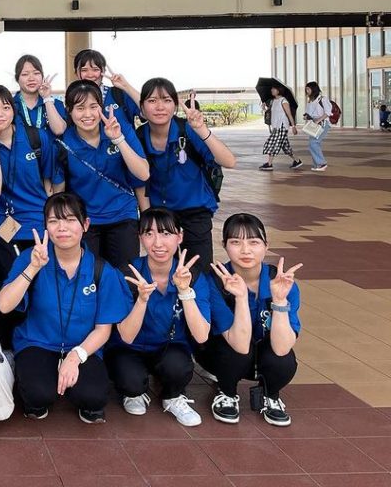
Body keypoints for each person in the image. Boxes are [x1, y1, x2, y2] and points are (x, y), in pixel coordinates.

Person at [0, 193, 129, 424]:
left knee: (93, 398)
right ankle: (42, 381)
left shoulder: (101, 270)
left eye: (70, 220)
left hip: (82, 346)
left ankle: (68, 378)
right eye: (54, 221)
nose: (62, 228)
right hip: (37, 342)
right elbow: (4, 305)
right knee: (37, 396)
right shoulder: (32, 257)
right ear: (45, 226)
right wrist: (33, 268)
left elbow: (103, 329)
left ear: (85, 224)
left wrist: (75, 357)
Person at [0, 85, 61, 348]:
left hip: (38, 225)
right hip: (0, 228)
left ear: (13, 110)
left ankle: (42, 345)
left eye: (5, 107)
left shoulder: (36, 137)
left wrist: (54, 219)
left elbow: (54, 182)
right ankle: (10, 350)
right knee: (10, 290)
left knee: (42, 290)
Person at [107, 209, 211, 427]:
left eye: (166, 233)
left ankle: (173, 397)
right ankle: (135, 392)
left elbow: (201, 335)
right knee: (130, 380)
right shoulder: (127, 273)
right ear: (140, 237)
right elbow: (126, 336)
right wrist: (142, 300)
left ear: (180, 236)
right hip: (130, 348)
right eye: (149, 234)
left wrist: (184, 291)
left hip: (170, 346)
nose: (158, 243)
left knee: (178, 369)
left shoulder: (193, 276)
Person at [198, 213, 302, 427]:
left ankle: (271, 396)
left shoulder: (281, 282)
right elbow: (239, 343)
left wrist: (280, 300)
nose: (245, 250)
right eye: (236, 242)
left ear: (266, 245)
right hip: (225, 353)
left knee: (283, 360)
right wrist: (242, 297)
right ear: (225, 245)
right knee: (235, 352)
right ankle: (226, 393)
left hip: (263, 352)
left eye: (254, 242)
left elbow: (282, 348)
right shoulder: (214, 281)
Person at [136, 80, 236, 270]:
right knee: (164, 271)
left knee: (199, 271)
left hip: (195, 213)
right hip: (162, 216)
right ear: (142, 107)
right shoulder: (139, 136)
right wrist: (148, 218)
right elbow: (140, 182)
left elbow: (229, 161)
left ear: (174, 105)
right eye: (152, 101)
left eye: (166, 100)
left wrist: (201, 129)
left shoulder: (187, 130)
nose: (159, 107)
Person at [54, 80, 149, 269]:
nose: (88, 114)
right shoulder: (63, 144)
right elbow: (59, 190)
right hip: (86, 222)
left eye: (93, 107)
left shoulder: (120, 129)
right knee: (90, 277)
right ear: (69, 111)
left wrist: (118, 139)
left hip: (123, 216)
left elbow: (143, 173)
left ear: (102, 108)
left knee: (125, 279)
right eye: (80, 108)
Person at [47, 49, 141, 134]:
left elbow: (147, 112)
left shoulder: (118, 94)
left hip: (125, 151)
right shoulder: (72, 98)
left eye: (95, 69)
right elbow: (60, 130)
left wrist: (126, 86)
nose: (90, 75)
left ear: (103, 71)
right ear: (76, 72)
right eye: (84, 70)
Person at [260, 86, 302, 171]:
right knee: (285, 146)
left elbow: (289, 114)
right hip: (275, 126)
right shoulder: (272, 101)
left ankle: (269, 164)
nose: (272, 90)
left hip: (282, 126)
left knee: (273, 142)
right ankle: (297, 161)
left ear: (279, 90)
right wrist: (264, 107)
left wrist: (293, 126)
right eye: (271, 89)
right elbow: (270, 112)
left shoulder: (284, 100)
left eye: (274, 89)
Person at [12, 54, 56, 132]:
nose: (31, 78)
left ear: (42, 76)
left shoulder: (55, 103)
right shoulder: (10, 105)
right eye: (25, 74)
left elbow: (59, 130)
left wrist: (47, 98)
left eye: (36, 73)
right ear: (17, 79)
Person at [302, 81, 332, 172]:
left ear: (313, 89)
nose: (307, 91)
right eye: (306, 89)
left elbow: (328, 112)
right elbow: (310, 113)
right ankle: (316, 164)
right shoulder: (310, 101)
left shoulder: (323, 99)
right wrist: (306, 117)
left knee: (314, 143)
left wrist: (318, 120)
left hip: (322, 124)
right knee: (313, 143)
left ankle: (321, 163)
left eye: (308, 89)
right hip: (314, 125)